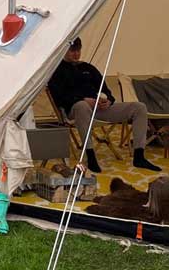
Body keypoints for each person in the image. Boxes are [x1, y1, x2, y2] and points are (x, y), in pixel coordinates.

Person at [48, 36, 161, 173]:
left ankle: (139, 156)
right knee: (82, 106)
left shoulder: (88, 68)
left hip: (100, 109)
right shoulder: (56, 70)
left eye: (78, 50)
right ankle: (90, 156)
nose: (76, 54)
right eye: (72, 51)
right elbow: (59, 97)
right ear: (64, 50)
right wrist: (82, 99)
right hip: (75, 111)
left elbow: (106, 90)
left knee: (139, 107)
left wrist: (108, 100)